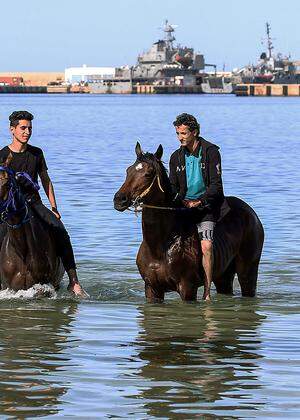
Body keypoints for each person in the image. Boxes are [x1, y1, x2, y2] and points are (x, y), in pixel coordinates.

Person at [0, 110, 87, 297]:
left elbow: (46, 180)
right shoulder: (2, 155)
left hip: (34, 204)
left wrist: (54, 208)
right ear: (12, 130)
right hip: (11, 208)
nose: (27, 132)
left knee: (60, 229)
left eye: (30, 128)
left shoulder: (36, 153)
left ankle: (74, 282)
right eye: (23, 128)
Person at [169, 113, 230, 301]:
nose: (180, 137)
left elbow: (216, 186)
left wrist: (200, 202)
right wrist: (182, 201)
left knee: (206, 245)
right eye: (178, 133)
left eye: (184, 133)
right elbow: (172, 188)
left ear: (194, 132)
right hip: (184, 208)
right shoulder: (175, 157)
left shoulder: (211, 152)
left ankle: (207, 291)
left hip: (206, 208)